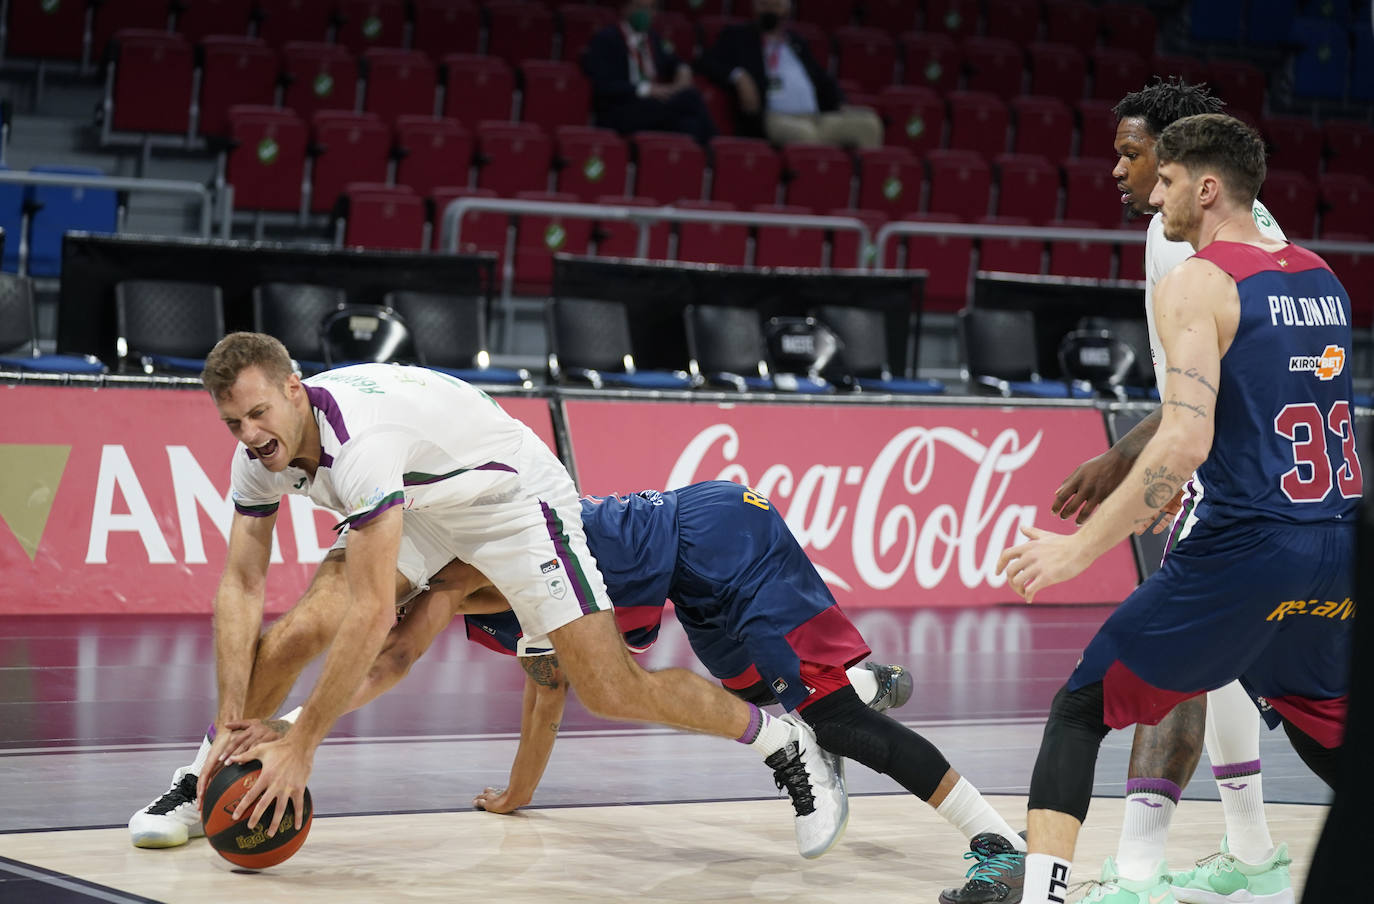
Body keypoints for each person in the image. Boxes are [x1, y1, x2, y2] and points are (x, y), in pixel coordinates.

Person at [134, 480, 1029, 895]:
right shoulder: (446, 591)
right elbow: (537, 685)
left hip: (716, 536)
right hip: (673, 583)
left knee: (828, 718)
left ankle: (995, 844)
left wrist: (297, 730)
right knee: (783, 704)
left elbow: (395, 657)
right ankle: (847, 689)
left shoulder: (453, 571)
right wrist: (519, 794)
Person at [172, 334, 845, 858]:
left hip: (513, 500)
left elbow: (380, 618)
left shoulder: (361, 450)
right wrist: (239, 725)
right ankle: (206, 775)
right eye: (234, 422)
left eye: (259, 414)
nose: (250, 435)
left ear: (295, 390)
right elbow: (243, 584)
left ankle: (783, 741)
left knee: (611, 689)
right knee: (297, 632)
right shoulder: (260, 452)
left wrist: (302, 743)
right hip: (431, 498)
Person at [999, 113, 1357, 904]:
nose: (1153, 193)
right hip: (1335, 545)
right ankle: (1249, 851)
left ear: (1206, 186)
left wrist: (1077, 549)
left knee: (1079, 708)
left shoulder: (1196, 281)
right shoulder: (1324, 279)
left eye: (1165, 179)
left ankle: (1045, 895)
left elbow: (1186, 441)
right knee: (1331, 740)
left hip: (1246, 548)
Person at [1051, 80, 1294, 903]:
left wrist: (1160, 469)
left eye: (1134, 155)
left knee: (1167, 655)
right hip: (1275, 485)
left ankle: (1139, 875)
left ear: (1188, 166)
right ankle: (1255, 854)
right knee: (1221, 667)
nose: (1123, 175)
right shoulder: (1260, 233)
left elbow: (1204, 394)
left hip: (1235, 482)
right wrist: (1130, 454)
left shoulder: (1178, 235)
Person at [698, 0, 881, 148]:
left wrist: (839, 104)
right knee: (805, 137)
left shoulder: (796, 43)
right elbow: (705, 62)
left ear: (787, 8)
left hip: (816, 117)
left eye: (776, 5)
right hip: (776, 118)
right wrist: (738, 76)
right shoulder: (738, 36)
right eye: (764, 4)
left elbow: (822, 79)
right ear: (754, 5)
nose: (770, 9)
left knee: (869, 124)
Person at [582, 0, 716, 145]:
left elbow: (673, 60)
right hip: (622, 108)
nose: (646, 13)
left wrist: (683, 69)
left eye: (651, 8)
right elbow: (603, 86)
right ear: (625, 9)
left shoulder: (652, 39)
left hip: (651, 108)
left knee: (689, 126)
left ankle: (711, 161)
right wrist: (647, 89)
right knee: (690, 97)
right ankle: (716, 147)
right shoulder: (606, 39)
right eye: (640, 7)